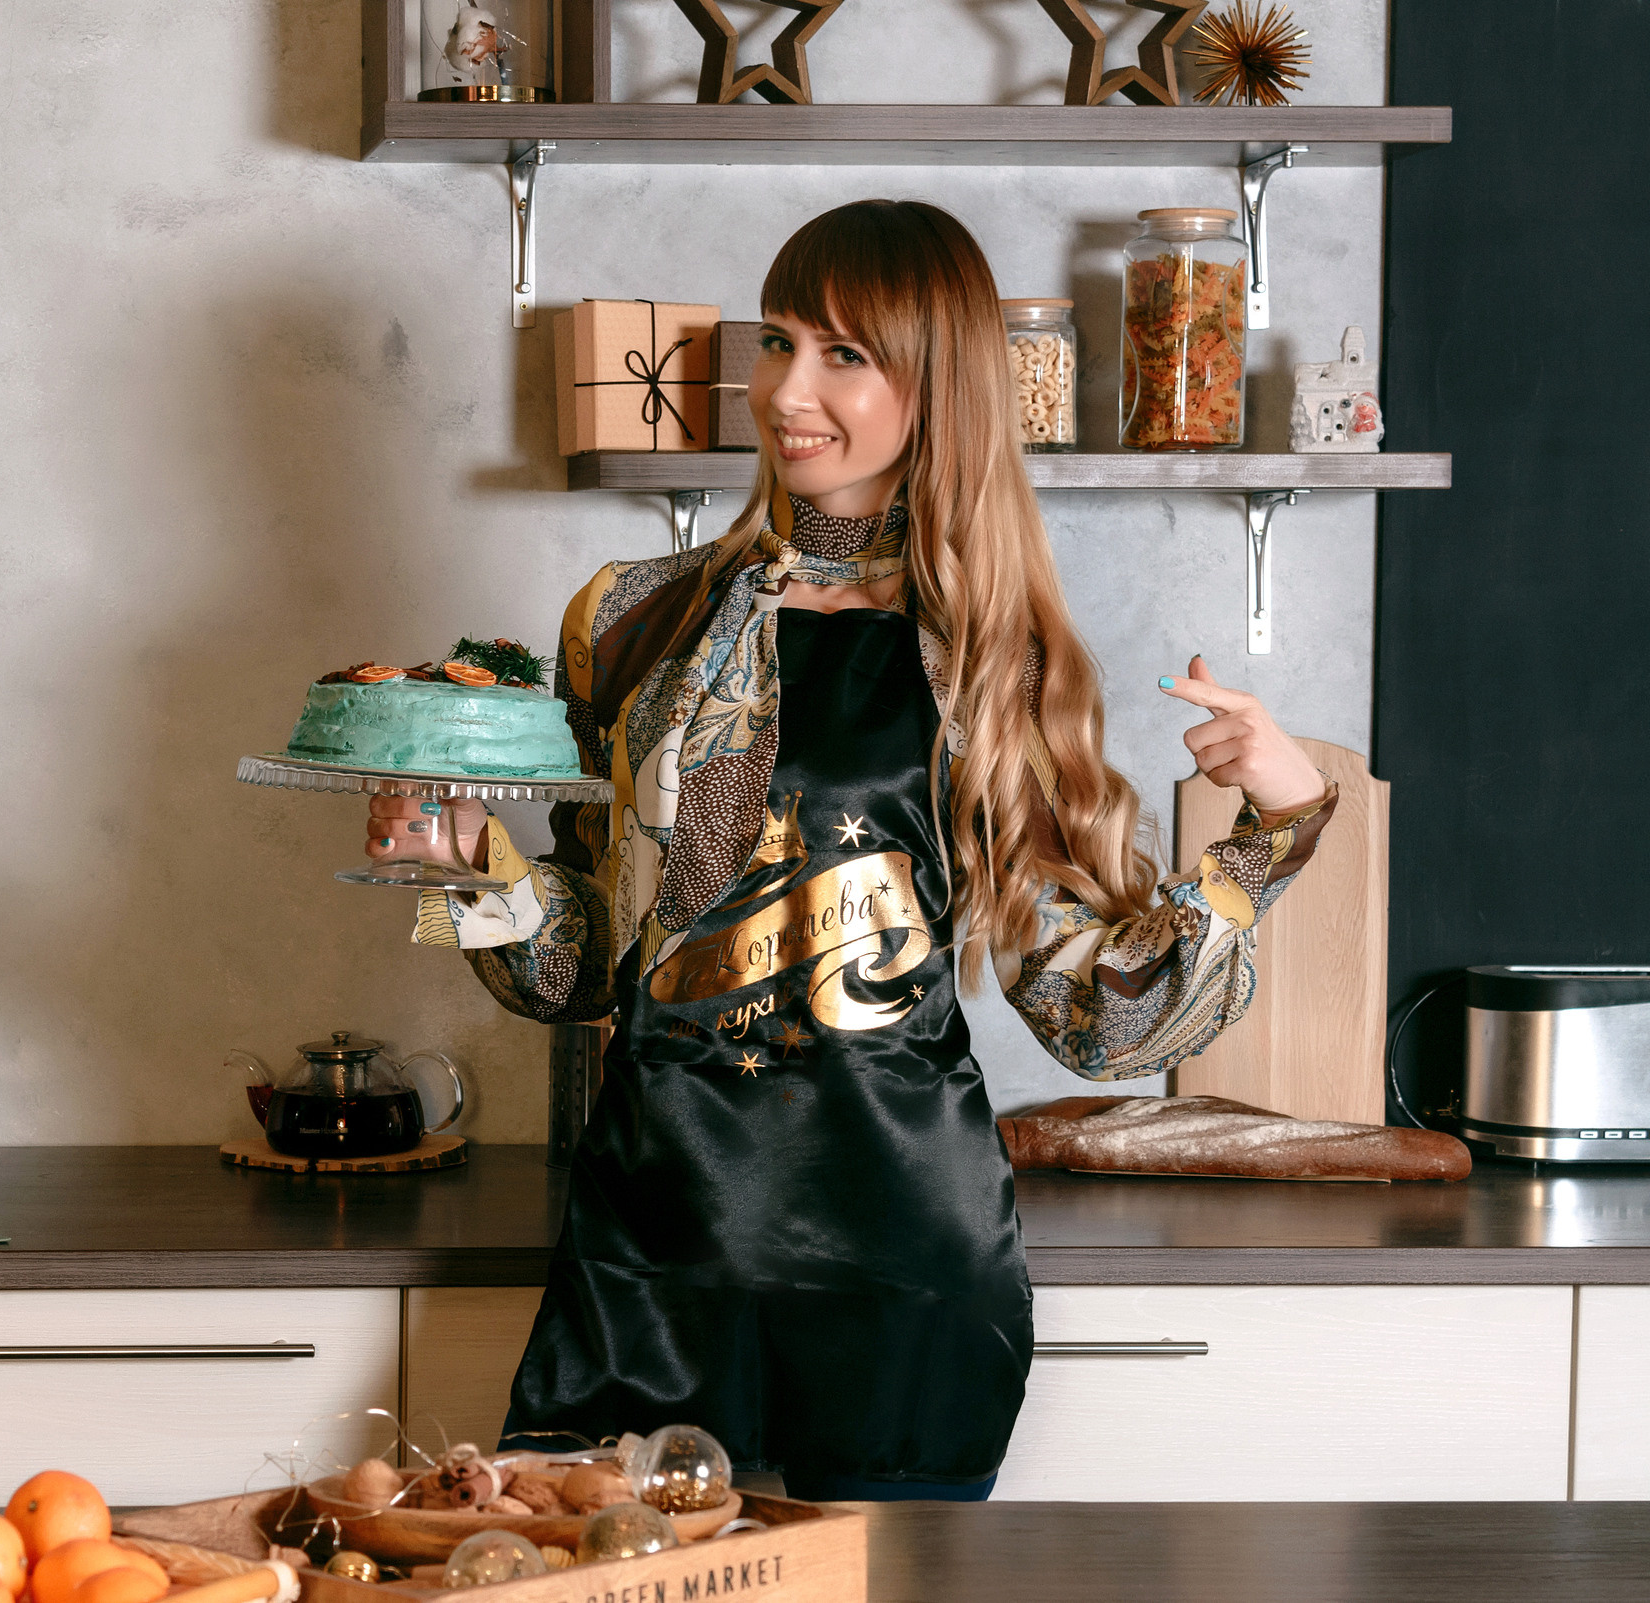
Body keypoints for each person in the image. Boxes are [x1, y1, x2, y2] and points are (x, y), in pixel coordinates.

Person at [366, 200, 1337, 1501]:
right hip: (649, 1251)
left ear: (939, 389)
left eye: (844, 356)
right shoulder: (634, 619)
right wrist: (465, 857)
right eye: (778, 341)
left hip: (900, 1276)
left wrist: (1277, 827)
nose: (785, 389)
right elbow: (590, 967)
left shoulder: (1003, 663)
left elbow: (1099, 1024)